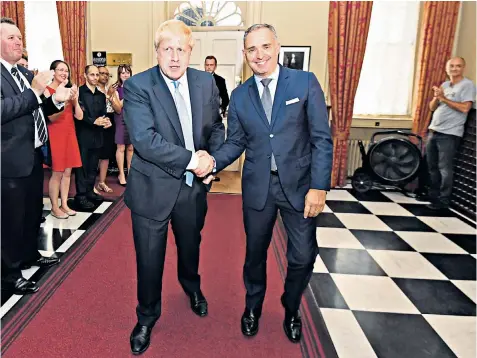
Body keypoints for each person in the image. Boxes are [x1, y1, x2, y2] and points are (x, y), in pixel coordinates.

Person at [209, 24, 333, 343]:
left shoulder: (305, 83)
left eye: (265, 47)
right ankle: (253, 307)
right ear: (245, 54)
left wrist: (319, 187)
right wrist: (210, 161)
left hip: (301, 189)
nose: (259, 55)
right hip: (258, 189)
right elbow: (235, 142)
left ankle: (291, 308)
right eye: (252, 49)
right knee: (254, 254)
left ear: (278, 47)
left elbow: (321, 138)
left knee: (303, 256)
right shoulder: (239, 96)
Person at [123, 19, 224, 355]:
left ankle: (191, 287)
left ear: (190, 51)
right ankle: (146, 317)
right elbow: (144, 140)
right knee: (149, 259)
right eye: (167, 48)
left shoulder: (205, 83)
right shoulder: (138, 86)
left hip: (193, 189)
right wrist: (195, 160)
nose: (175, 56)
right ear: (157, 51)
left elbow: (216, 128)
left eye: (181, 49)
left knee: (191, 246)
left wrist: (213, 161)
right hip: (151, 189)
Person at [1, 17, 75, 294]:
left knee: (33, 212)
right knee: (10, 220)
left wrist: (54, 100)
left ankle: (30, 255)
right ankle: (10, 274)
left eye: (19, 37)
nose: (18, 41)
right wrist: (34, 91)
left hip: (31, 155)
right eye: (11, 37)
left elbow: (34, 108)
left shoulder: (21, 74)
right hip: (8, 161)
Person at [426, 57, 476, 210]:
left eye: (458, 66)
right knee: (432, 166)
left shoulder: (467, 85)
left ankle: (443, 200)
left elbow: (465, 108)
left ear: (463, 68)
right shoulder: (445, 85)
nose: (454, 69)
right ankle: (433, 196)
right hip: (434, 130)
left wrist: (444, 98)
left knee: (444, 168)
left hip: (450, 134)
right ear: (446, 69)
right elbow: (432, 108)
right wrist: (437, 97)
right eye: (451, 66)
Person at [44, 60, 83, 219]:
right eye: (60, 70)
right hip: (55, 134)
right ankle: (54, 206)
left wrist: (74, 100)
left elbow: (79, 116)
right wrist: (65, 101)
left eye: (66, 70)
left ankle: (64, 203)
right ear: (53, 72)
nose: (64, 73)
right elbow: (51, 118)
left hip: (69, 133)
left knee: (68, 172)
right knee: (57, 172)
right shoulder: (47, 91)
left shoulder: (70, 90)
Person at [74, 65, 111, 210]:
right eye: (92, 75)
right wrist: (93, 121)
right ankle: (81, 196)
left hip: (98, 135)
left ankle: (90, 191)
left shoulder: (101, 95)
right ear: (85, 75)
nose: (95, 78)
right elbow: (79, 114)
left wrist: (106, 121)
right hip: (84, 135)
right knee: (82, 167)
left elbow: (103, 113)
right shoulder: (80, 93)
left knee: (93, 166)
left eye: (97, 75)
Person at [95, 65, 117, 194]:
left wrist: (112, 97)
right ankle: (90, 183)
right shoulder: (93, 89)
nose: (104, 76)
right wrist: (108, 96)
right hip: (97, 122)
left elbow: (118, 109)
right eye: (101, 73)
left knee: (106, 154)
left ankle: (102, 182)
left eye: (106, 74)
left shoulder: (110, 89)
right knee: (95, 155)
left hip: (110, 120)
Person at [112, 64, 133, 186]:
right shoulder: (115, 89)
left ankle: (130, 172)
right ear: (119, 75)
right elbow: (118, 107)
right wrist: (127, 95)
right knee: (121, 148)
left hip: (132, 119)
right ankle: (121, 173)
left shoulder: (135, 87)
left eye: (127, 72)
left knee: (131, 148)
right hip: (120, 118)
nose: (125, 75)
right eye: (122, 73)